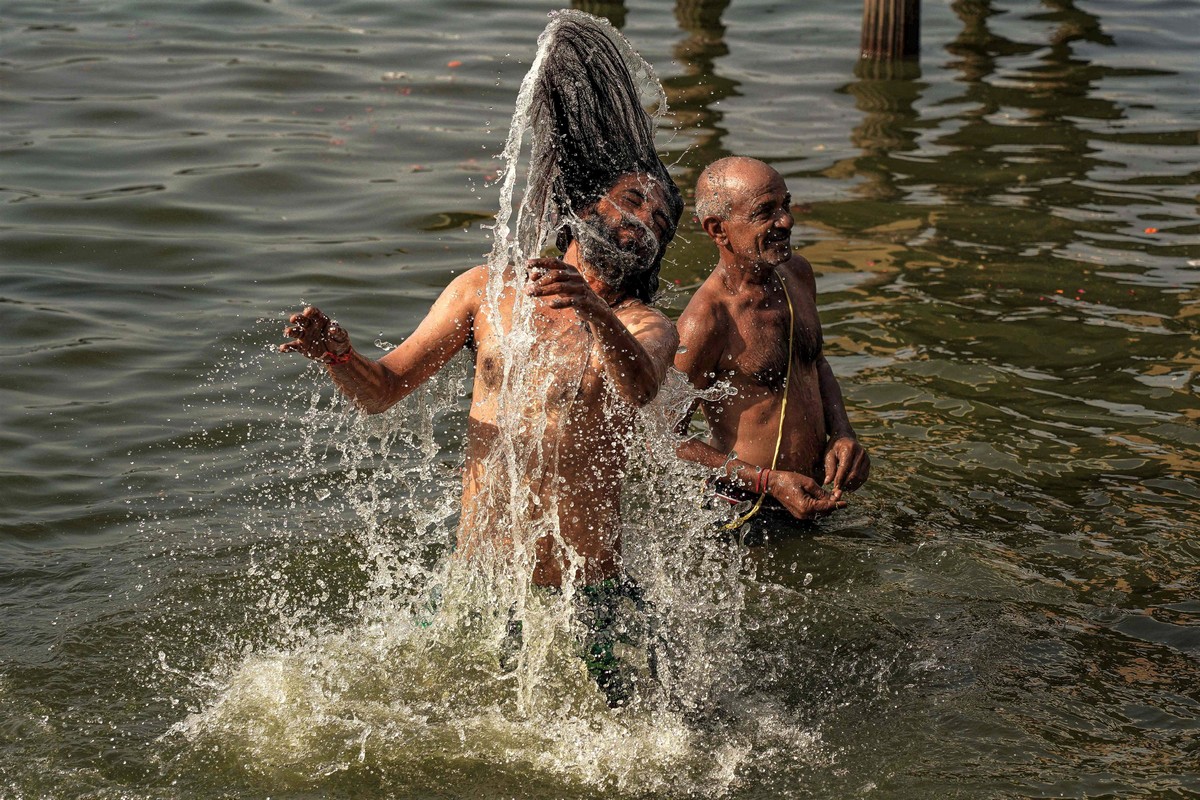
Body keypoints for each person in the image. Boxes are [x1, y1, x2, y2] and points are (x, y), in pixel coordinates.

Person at [280, 11, 683, 596]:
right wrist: (339, 357)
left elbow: (641, 387)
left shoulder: (645, 325)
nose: (646, 223)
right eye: (634, 202)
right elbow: (385, 390)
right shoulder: (485, 292)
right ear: (587, 204)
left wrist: (591, 310)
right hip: (480, 592)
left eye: (661, 222)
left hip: (590, 597)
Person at [674, 156, 869, 525]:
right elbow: (663, 439)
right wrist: (769, 481)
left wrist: (843, 433)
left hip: (815, 491)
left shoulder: (797, 273)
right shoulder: (706, 320)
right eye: (766, 212)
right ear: (718, 230)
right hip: (744, 507)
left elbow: (816, 362)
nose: (787, 221)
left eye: (786, 205)